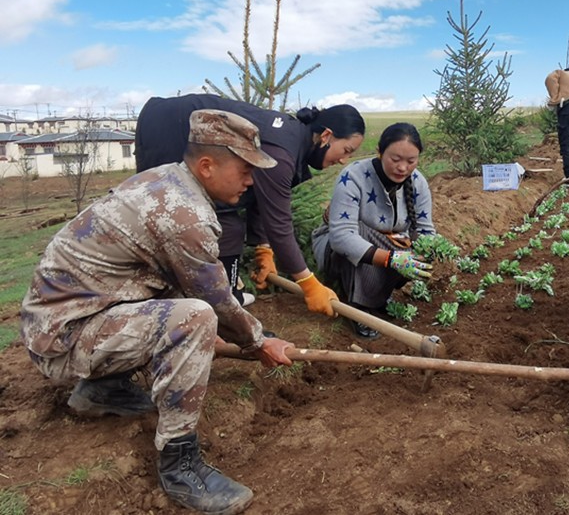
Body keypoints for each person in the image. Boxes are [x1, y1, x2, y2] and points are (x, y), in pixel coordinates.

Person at [20, 110, 298, 514]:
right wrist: (258, 341)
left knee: (180, 301)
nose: (251, 181)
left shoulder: (168, 180)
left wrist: (247, 336)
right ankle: (179, 465)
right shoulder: (184, 215)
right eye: (244, 170)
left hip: (69, 318)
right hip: (65, 337)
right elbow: (215, 300)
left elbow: (178, 280)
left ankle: (100, 391)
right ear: (207, 166)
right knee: (194, 318)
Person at [136, 94, 365, 314]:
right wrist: (307, 282)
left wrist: (263, 248)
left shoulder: (294, 141)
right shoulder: (282, 152)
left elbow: (259, 193)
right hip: (169, 128)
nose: (343, 160)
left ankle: (227, 299)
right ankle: (172, 302)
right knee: (171, 216)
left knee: (230, 225)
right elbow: (279, 225)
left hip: (173, 123)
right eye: (346, 150)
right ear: (326, 135)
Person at [312, 123, 436, 338]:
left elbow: (425, 230)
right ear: (379, 151)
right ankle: (359, 309)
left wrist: (429, 251)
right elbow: (341, 236)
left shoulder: (418, 183)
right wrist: (391, 259)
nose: (403, 168)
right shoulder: (354, 176)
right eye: (395, 159)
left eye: (411, 161)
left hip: (385, 246)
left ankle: (378, 295)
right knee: (360, 232)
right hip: (337, 249)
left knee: (414, 248)